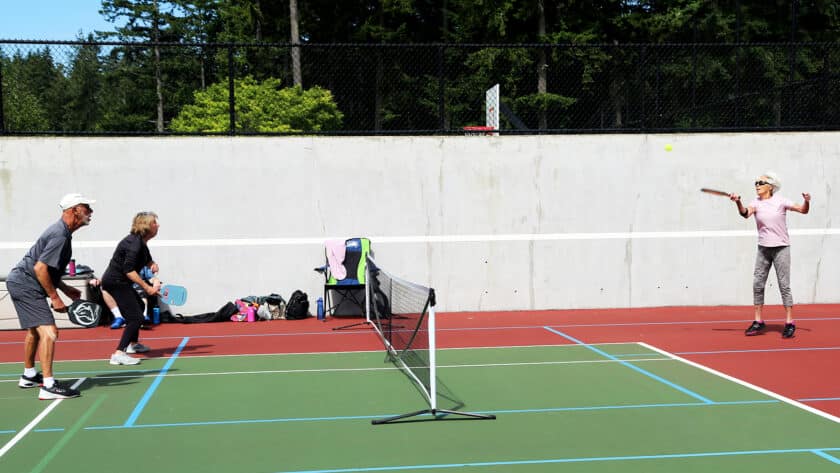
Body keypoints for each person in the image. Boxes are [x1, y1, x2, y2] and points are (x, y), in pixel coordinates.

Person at [7, 193, 95, 399]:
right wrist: (55, 297)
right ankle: (48, 386)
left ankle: (29, 375)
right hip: (26, 284)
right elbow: (40, 268)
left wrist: (65, 289)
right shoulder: (60, 235)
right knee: (50, 332)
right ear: (74, 210)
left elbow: (47, 269)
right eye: (86, 208)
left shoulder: (63, 233)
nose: (91, 212)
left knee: (35, 332)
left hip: (22, 281)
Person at [730, 172, 810, 338]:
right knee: (757, 284)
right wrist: (738, 202)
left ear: (771, 186)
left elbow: (803, 211)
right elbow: (745, 213)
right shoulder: (755, 203)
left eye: (761, 182)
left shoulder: (781, 201)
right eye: (756, 182)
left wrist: (807, 201)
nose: (757, 185)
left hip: (781, 248)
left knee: (784, 285)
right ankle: (758, 321)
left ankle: (789, 323)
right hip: (763, 249)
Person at [102, 212, 161, 365]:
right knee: (136, 318)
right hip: (116, 281)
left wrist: (152, 265)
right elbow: (129, 270)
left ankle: (132, 345)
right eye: (155, 223)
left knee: (140, 306)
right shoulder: (134, 244)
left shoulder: (141, 242)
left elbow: (147, 259)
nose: (158, 225)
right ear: (146, 226)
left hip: (121, 281)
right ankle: (118, 354)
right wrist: (147, 288)